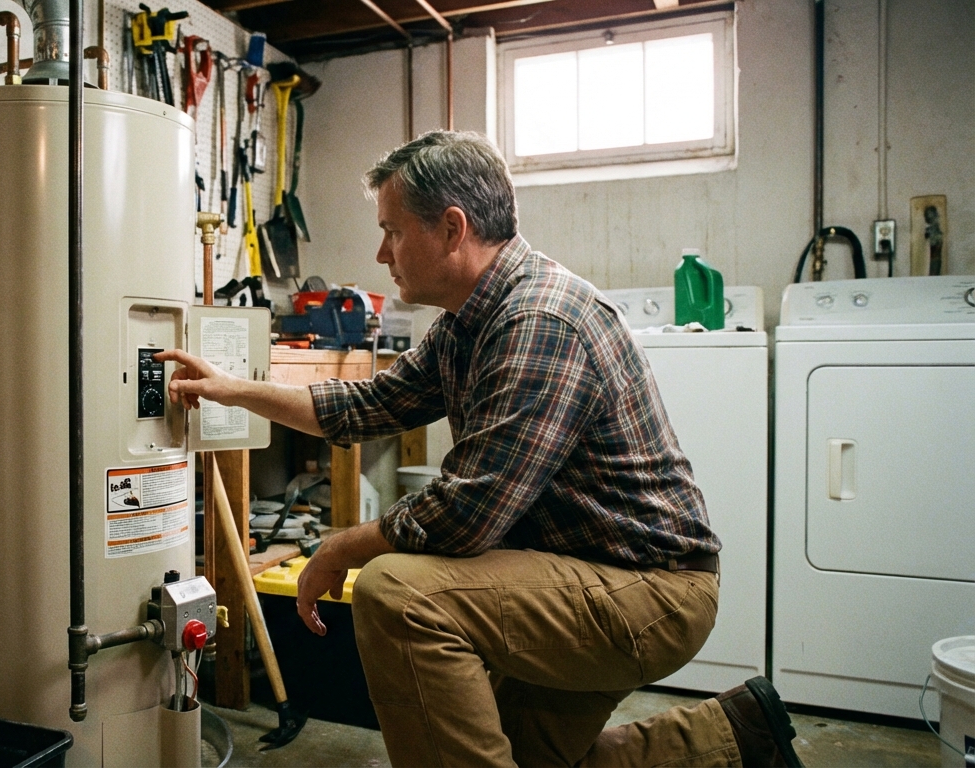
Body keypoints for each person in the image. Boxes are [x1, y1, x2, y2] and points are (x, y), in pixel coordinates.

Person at [156, 131, 803, 768]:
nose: (381, 252)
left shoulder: (538, 321)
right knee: (526, 757)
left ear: (452, 229)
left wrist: (340, 547)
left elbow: (468, 515)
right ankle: (736, 739)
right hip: (582, 574)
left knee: (398, 592)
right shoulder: (469, 322)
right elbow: (363, 406)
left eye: (393, 229)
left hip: (647, 592)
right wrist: (231, 389)